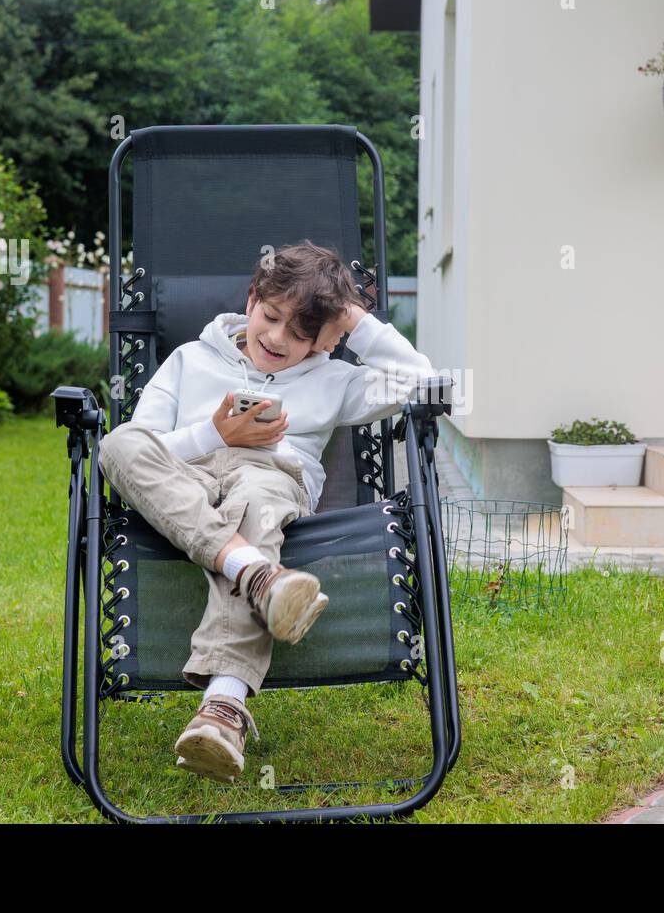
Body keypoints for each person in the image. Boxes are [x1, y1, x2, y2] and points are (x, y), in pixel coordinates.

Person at [97, 239, 435, 781]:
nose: (278, 338)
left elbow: (426, 383)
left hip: (268, 479)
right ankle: (254, 572)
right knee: (116, 444)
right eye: (271, 316)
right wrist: (215, 433)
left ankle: (223, 708)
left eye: (302, 332)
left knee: (254, 501)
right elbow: (141, 445)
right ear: (252, 298)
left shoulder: (334, 379)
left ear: (327, 336)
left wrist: (352, 317)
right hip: (184, 480)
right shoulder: (190, 358)